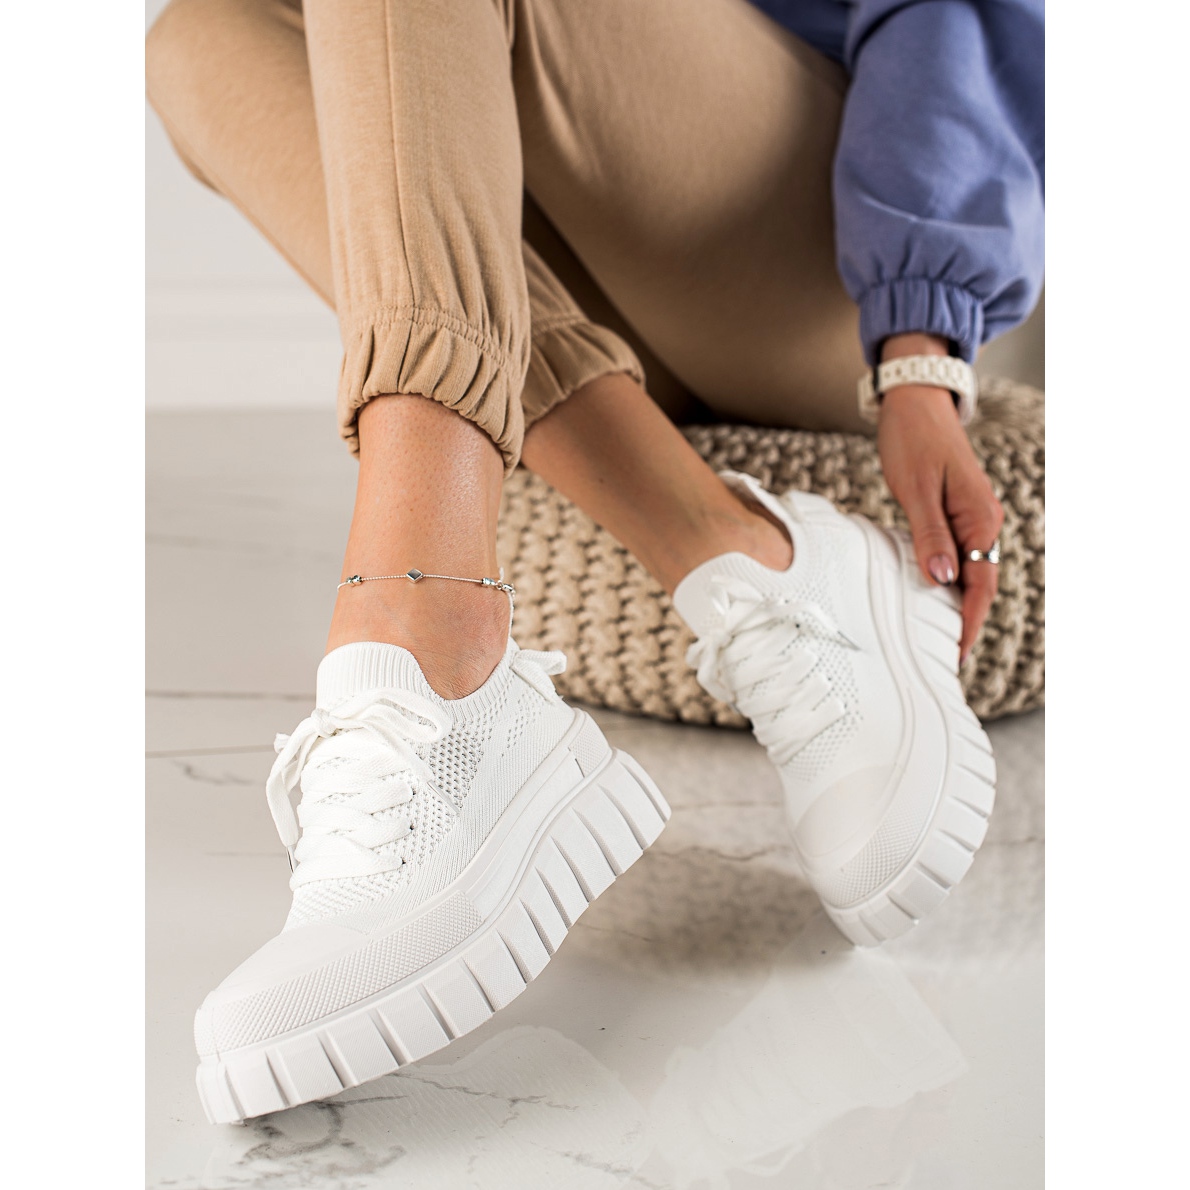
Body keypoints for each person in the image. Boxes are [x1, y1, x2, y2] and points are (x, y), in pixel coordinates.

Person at [146, 0, 1044, 1123]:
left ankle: (426, 635)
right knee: (198, 39)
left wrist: (919, 342)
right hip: (565, 257)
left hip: (812, 266)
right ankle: (734, 549)